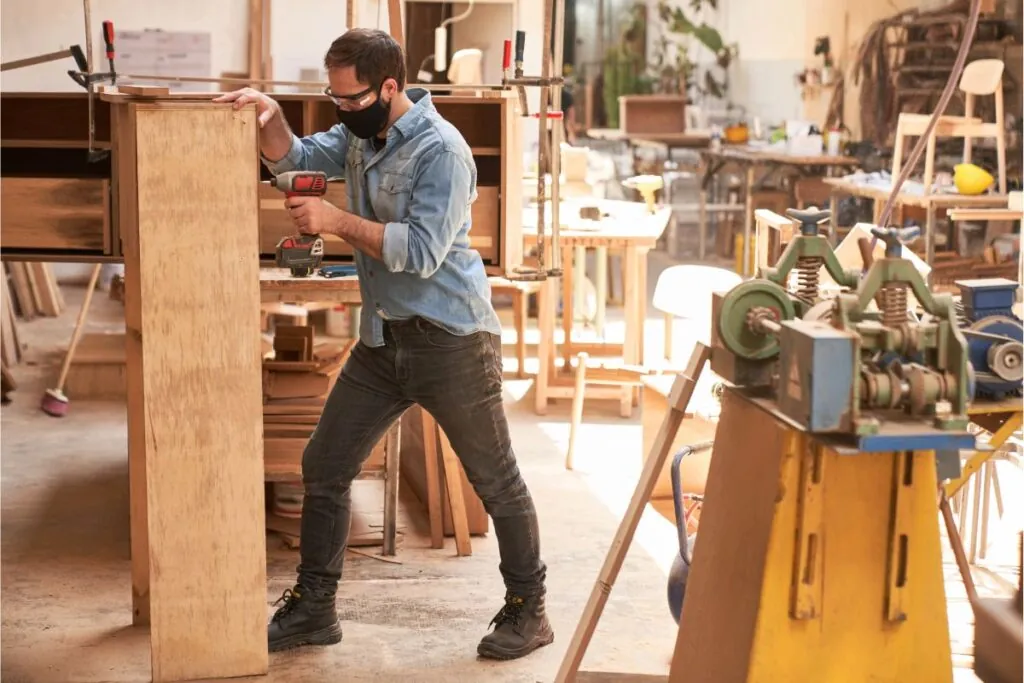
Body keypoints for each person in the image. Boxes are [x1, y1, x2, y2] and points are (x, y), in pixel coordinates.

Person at [214, 28, 553, 661]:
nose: (341, 110)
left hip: (451, 341)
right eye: (334, 99)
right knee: (325, 465)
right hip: (382, 341)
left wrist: (336, 221)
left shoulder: (441, 151)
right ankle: (316, 608)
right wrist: (272, 116)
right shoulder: (359, 133)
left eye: (350, 99)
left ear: (389, 86)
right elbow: (295, 159)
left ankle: (528, 610)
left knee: (496, 482)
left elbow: (420, 253)